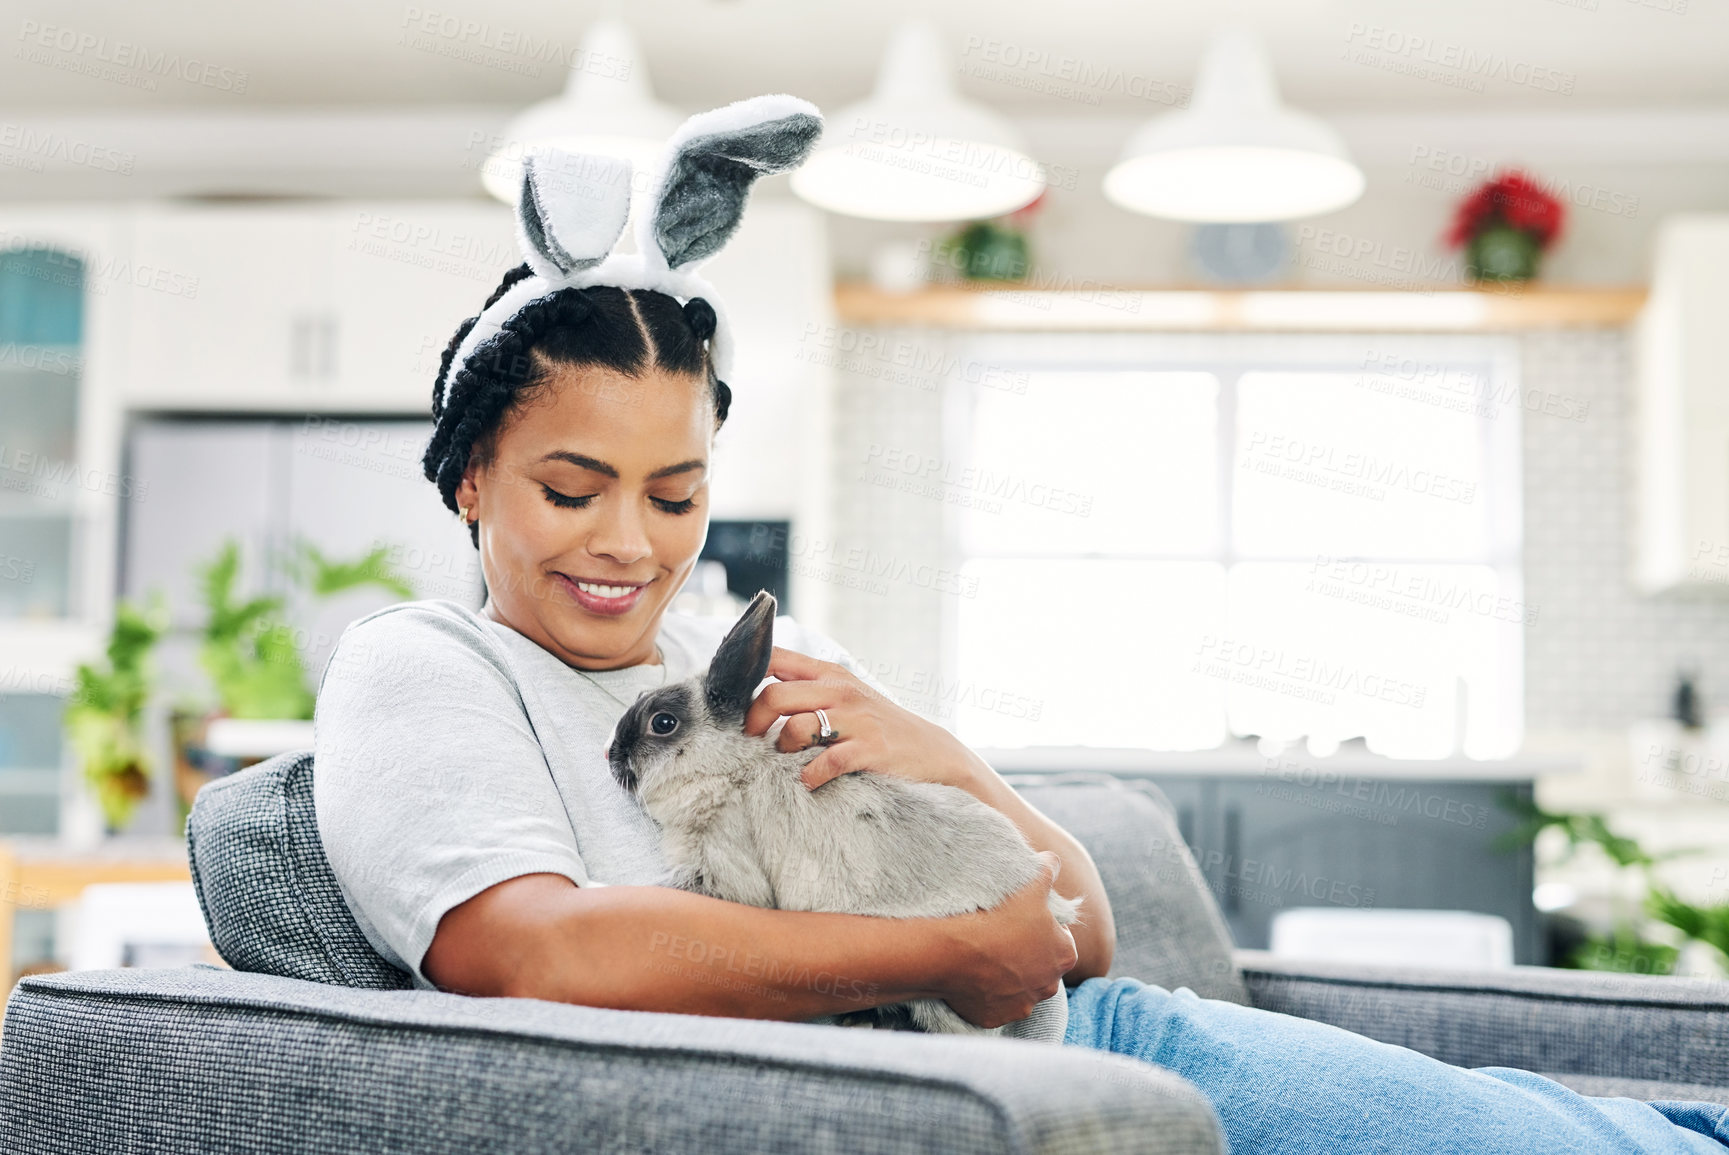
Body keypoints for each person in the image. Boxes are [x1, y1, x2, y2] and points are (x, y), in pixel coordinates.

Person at [312, 95, 1729, 1154]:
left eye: (676, 495)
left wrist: (946, 758)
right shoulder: (420, 670)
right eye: (575, 489)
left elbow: (1079, 935)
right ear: (471, 475)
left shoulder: (747, 662)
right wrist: (932, 956)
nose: (631, 542)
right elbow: (533, 955)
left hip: (1082, 1046)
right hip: (984, 1086)